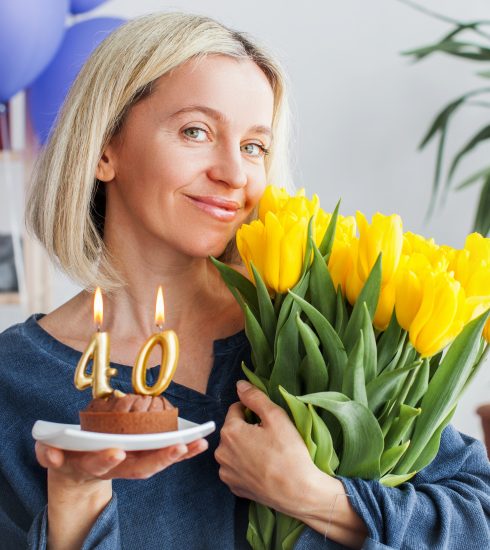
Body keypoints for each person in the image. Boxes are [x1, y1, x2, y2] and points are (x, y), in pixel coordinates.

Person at [0, 11, 488, 550]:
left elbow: (480, 515)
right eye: (196, 131)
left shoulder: (316, 336)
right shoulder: (15, 379)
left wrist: (317, 498)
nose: (234, 174)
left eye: (254, 145)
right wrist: (75, 495)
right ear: (103, 150)